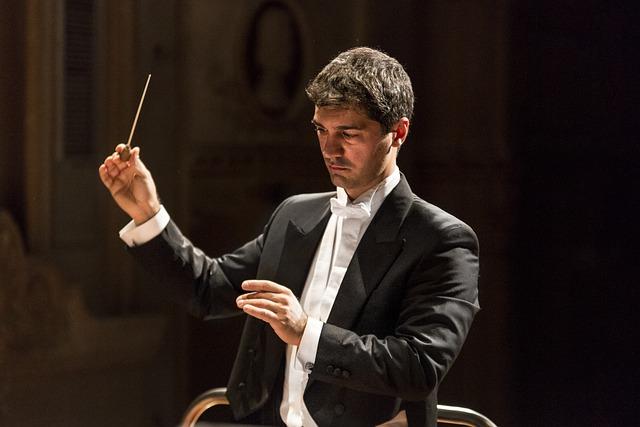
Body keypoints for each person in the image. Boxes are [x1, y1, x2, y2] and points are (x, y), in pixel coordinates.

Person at [99, 47, 479, 427]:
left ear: (398, 132)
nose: (330, 149)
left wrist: (305, 332)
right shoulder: (295, 214)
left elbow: (419, 365)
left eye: (348, 133)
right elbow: (208, 289)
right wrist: (147, 213)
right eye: (321, 130)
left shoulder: (441, 239)